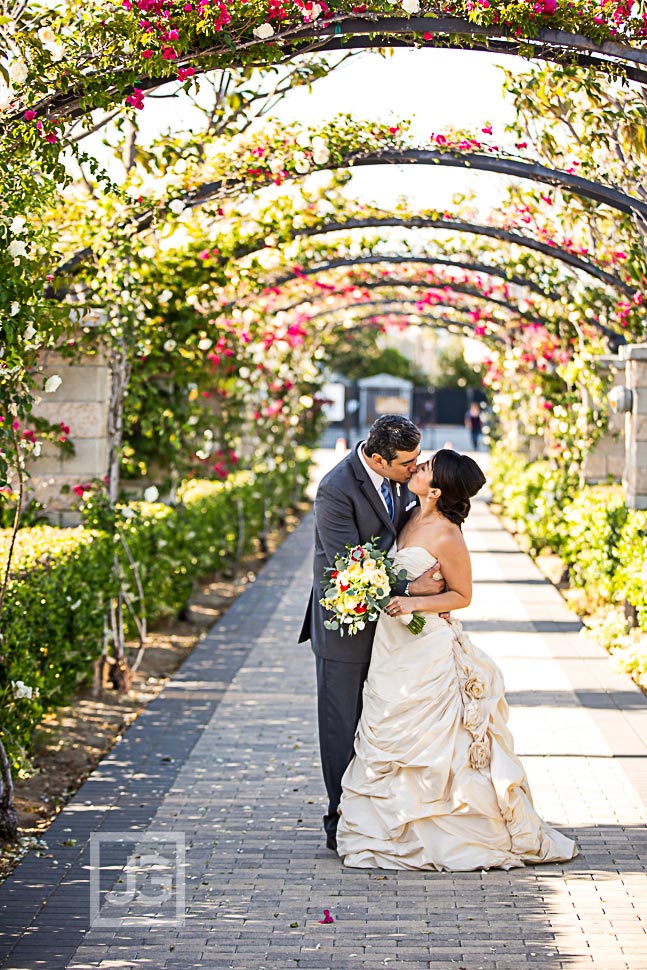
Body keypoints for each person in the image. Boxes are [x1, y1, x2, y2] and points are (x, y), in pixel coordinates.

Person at [336, 449, 578, 870]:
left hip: (426, 648)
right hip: (392, 647)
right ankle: (389, 827)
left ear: (436, 489)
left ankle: (448, 833)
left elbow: (463, 596)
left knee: (432, 742)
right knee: (387, 731)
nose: (417, 467)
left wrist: (415, 604)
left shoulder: (448, 535)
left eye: (425, 467)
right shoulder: (408, 512)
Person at [299, 415, 446, 852]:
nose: (415, 468)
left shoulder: (403, 478)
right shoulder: (335, 488)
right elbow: (348, 564)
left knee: (383, 723)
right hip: (344, 626)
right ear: (378, 458)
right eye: (407, 462)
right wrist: (411, 589)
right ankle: (339, 818)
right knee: (342, 724)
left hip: (392, 629)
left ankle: (380, 813)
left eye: (418, 458)